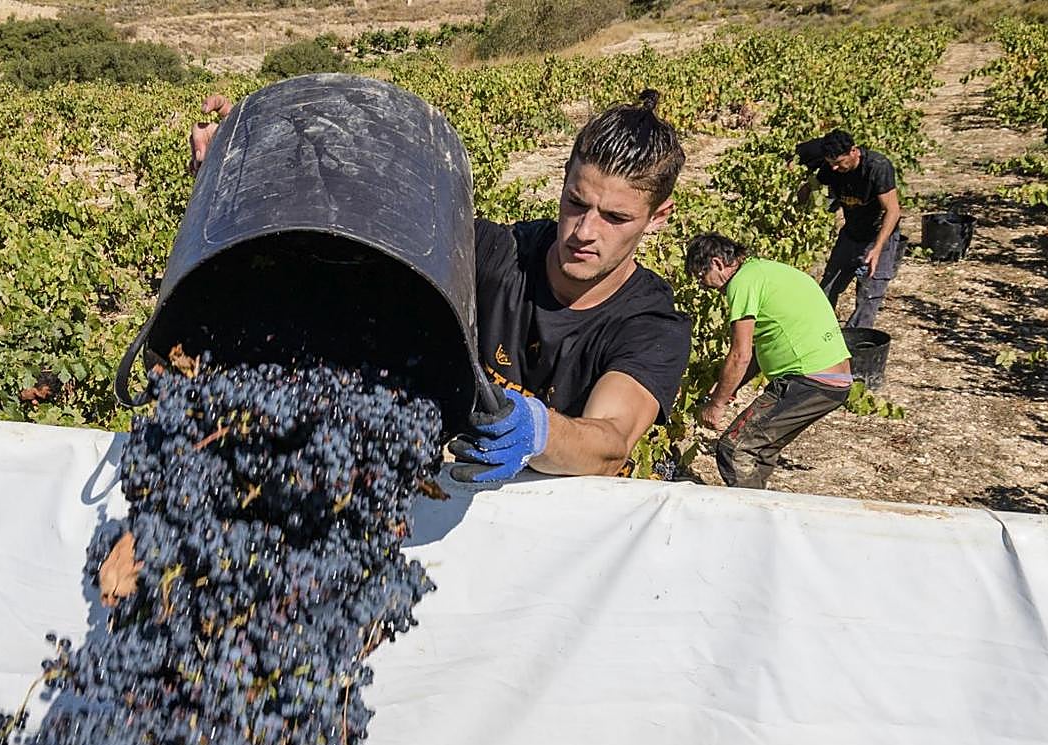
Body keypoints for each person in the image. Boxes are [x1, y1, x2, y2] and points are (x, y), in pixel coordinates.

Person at [188, 89, 692, 484]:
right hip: (462, 498)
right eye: (577, 203)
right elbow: (368, 228)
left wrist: (539, 430)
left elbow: (610, 444)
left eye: (615, 217)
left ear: (658, 216)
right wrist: (254, 165)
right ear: (563, 180)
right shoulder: (498, 254)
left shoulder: (650, 325)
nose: (584, 231)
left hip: (567, 533)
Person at [686, 233, 852, 490]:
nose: (701, 285)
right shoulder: (765, 271)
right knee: (761, 451)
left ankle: (747, 522)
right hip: (833, 381)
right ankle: (760, 514)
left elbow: (741, 355)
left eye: (700, 276)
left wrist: (716, 404)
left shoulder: (741, 282)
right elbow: (759, 350)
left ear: (717, 263)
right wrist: (730, 389)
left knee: (735, 450)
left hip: (807, 380)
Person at [797, 129, 902, 329]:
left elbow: (893, 211)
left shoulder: (877, 167)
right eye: (831, 163)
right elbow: (812, 185)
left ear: (854, 151)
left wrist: (877, 248)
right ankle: (821, 332)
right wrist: (802, 192)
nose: (835, 168)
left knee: (868, 297)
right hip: (851, 233)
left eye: (839, 162)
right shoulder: (832, 168)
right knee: (828, 287)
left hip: (878, 236)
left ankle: (855, 344)